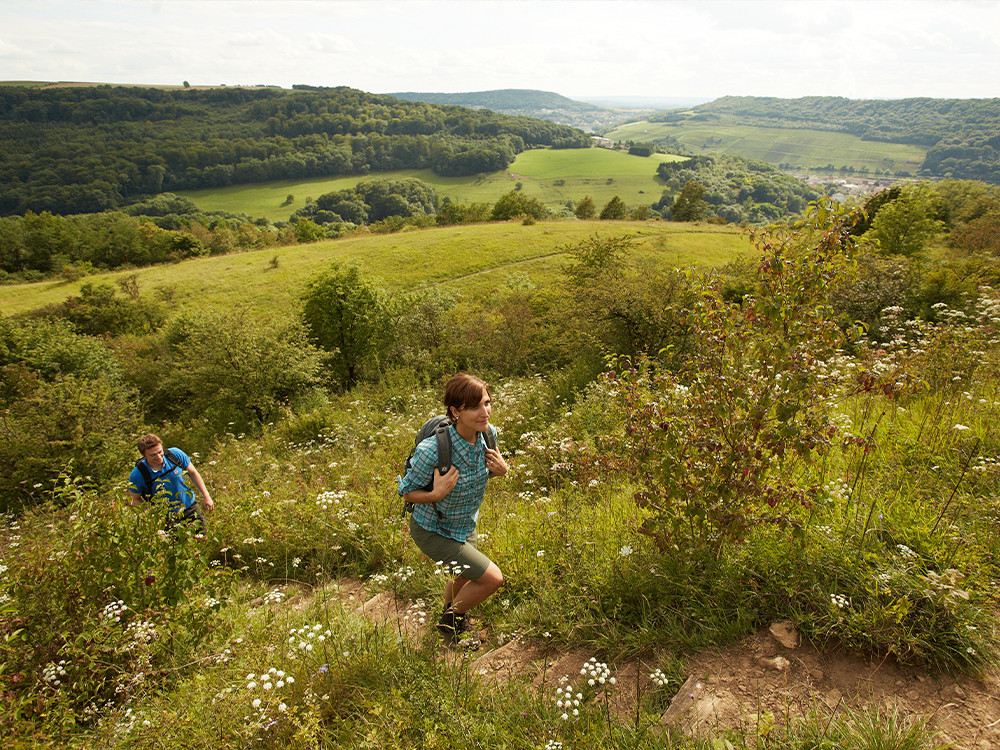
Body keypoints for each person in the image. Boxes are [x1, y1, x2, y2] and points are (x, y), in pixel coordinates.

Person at [398, 374, 508, 648]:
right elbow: (406, 491)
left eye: (487, 402)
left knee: (462, 576)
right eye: (474, 407)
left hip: (463, 524)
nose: (485, 412)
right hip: (432, 530)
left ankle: (452, 623)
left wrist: (502, 471)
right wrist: (435, 494)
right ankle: (452, 618)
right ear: (455, 411)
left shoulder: (488, 435)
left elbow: (478, 476)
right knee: (492, 579)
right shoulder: (432, 449)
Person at [128, 434, 214, 534]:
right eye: (153, 455)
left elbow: (193, 472)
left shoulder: (174, 454)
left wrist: (206, 496)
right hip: (165, 518)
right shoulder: (138, 474)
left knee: (203, 539)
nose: (159, 456)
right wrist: (150, 517)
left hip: (190, 508)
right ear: (144, 455)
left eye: (160, 452)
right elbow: (134, 499)